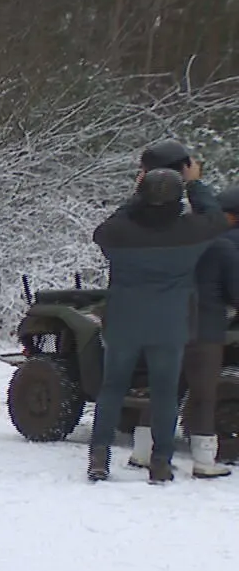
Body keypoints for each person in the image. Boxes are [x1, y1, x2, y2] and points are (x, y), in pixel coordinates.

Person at [85, 152, 230, 484]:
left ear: (141, 192)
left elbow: (102, 230)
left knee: (112, 388)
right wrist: (195, 184)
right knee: (164, 393)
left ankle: (99, 457)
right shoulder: (190, 233)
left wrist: (134, 196)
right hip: (170, 325)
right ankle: (160, 462)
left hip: (124, 322)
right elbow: (217, 218)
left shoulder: (120, 234)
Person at [182, 186, 239, 477]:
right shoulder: (226, 245)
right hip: (209, 325)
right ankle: (204, 460)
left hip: (168, 322)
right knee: (205, 393)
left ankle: (147, 454)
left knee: (159, 389)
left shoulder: (176, 240)